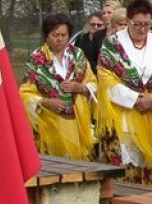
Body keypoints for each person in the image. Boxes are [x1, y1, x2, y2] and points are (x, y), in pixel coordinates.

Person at [96, 0, 152, 185]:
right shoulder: (112, 44)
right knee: (125, 172)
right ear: (128, 21)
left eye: (147, 24)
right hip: (123, 116)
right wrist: (135, 99)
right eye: (137, 24)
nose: (142, 29)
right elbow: (105, 79)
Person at [19, 12, 97, 160]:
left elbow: (94, 84)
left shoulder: (78, 55)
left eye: (64, 35)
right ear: (47, 36)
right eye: (55, 35)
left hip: (78, 124)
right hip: (50, 125)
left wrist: (79, 88)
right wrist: (46, 102)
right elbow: (24, 93)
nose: (60, 39)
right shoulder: (37, 59)